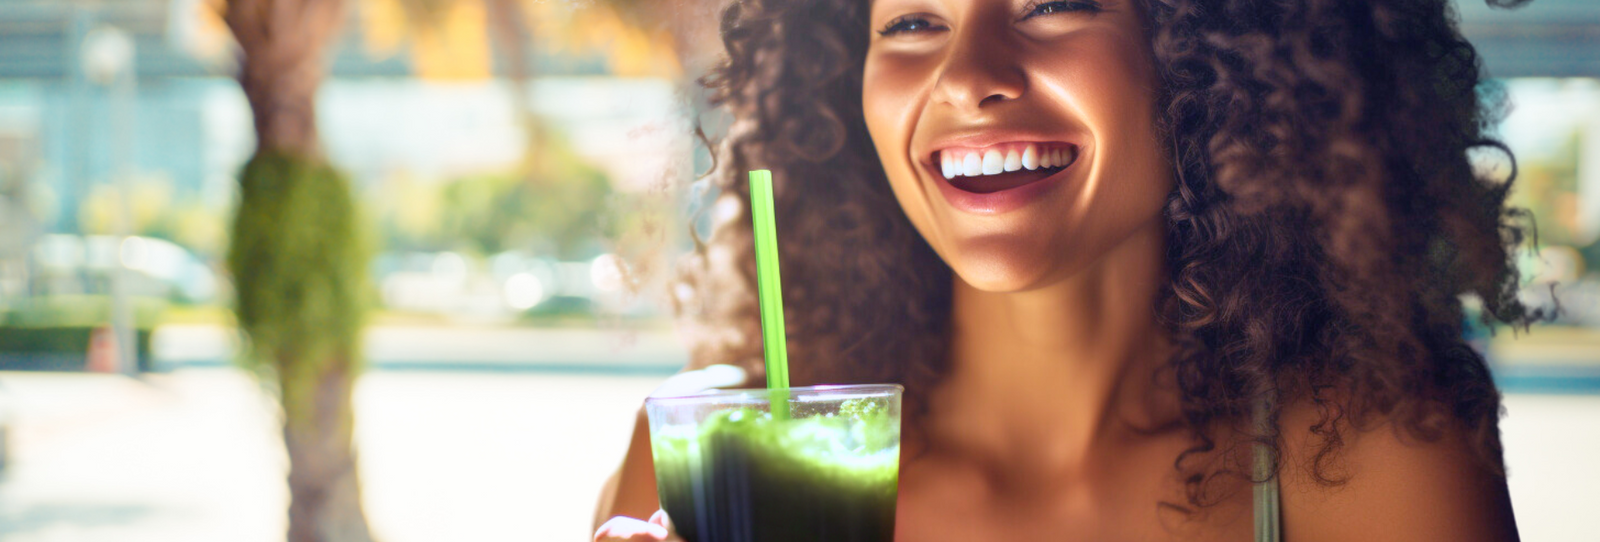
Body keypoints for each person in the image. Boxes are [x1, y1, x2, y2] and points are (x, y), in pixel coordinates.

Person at [596, 0, 1546, 539]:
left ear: (1203, 56)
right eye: (915, 21)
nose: (970, 76)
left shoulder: (1371, 459)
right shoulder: (721, 464)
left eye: (1053, 4)